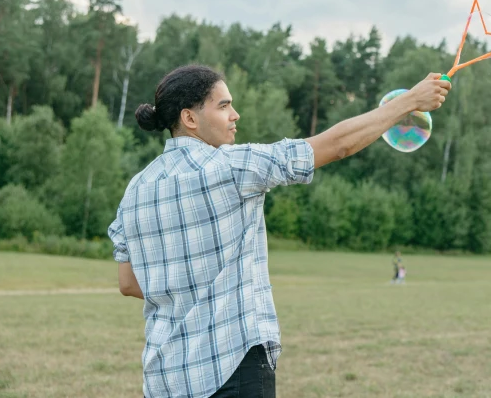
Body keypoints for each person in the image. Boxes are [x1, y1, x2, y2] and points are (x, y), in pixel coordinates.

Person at [107, 64, 450, 398]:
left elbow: (129, 283)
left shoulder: (136, 189)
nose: (235, 114)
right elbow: (337, 145)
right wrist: (409, 102)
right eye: (224, 105)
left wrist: (188, 288)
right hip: (231, 367)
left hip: (164, 377)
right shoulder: (232, 167)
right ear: (190, 118)